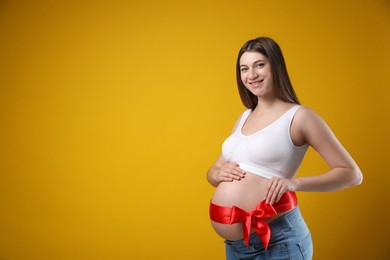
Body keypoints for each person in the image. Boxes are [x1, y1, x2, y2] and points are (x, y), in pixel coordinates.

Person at [206, 36, 363, 260]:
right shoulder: (244, 117)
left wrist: (294, 183)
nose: (251, 75)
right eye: (244, 69)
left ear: (276, 66)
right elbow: (213, 172)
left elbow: (352, 174)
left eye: (260, 65)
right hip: (236, 247)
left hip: (279, 241)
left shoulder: (300, 116)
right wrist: (217, 173)